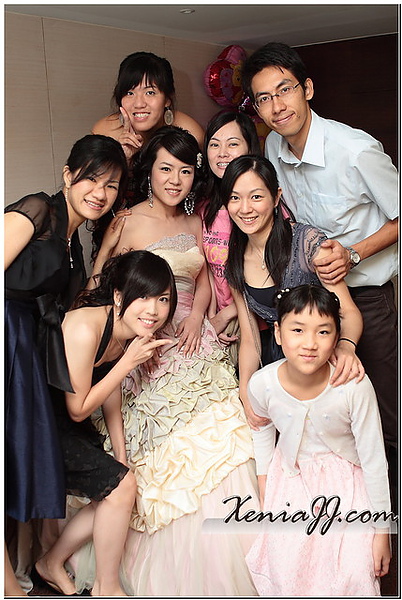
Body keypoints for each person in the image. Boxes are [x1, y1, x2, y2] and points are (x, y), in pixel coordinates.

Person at [66, 126, 259, 596]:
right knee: (162, 455)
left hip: (194, 339)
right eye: (166, 169)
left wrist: (197, 317)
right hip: (144, 349)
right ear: (149, 171)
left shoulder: (196, 222)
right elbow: (100, 286)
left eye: (186, 171)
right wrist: (124, 333)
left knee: (228, 432)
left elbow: (207, 279)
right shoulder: (126, 220)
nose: (175, 180)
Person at [241, 41, 398, 502]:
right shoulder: (273, 145)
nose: (277, 106)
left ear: (307, 88)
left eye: (284, 90)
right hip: (310, 300)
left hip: (364, 293)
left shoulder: (355, 150)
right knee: (331, 416)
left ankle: (387, 517)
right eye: (264, 98)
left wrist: (353, 254)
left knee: (382, 408)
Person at [4, 134, 128, 596]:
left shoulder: (76, 243)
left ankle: (33, 569)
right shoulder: (39, 210)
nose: (100, 192)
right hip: (6, 336)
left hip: (29, 355)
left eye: (111, 185)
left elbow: (74, 305)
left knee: (15, 459)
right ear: (68, 175)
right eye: (91, 179)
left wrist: (107, 249)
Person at [35, 251, 176, 596]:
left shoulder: (125, 328)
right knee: (120, 488)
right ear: (118, 295)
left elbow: (109, 389)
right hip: (40, 424)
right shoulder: (85, 328)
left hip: (64, 420)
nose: (153, 310)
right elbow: (78, 409)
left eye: (162, 299)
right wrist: (129, 362)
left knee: (118, 486)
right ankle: (106, 587)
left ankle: (51, 563)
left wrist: (121, 455)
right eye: (142, 297)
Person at [245, 284, 392, 596]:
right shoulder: (262, 384)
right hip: (292, 479)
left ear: (337, 338)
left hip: (348, 483)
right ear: (278, 333)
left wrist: (382, 532)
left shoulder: (354, 386)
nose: (310, 343)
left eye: (323, 332)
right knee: (289, 567)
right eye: (297, 330)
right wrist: (265, 485)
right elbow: (261, 429)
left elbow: (374, 460)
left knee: (354, 571)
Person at [221, 155, 364, 431]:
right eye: (235, 198)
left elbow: (348, 310)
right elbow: (250, 337)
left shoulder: (307, 243)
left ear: (276, 197)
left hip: (322, 356)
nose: (245, 208)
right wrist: (245, 389)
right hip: (277, 365)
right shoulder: (235, 262)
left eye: (256, 197)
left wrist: (346, 346)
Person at [197, 110, 261, 363]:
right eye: (214, 145)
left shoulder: (260, 206)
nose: (222, 153)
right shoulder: (203, 207)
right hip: (219, 327)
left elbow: (276, 274)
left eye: (232, 144)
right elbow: (207, 270)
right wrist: (211, 318)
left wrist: (226, 316)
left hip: (262, 325)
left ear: (249, 149)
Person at [92, 51, 204, 164]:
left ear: (167, 99)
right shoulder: (105, 134)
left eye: (150, 93)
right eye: (130, 93)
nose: (139, 104)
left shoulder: (191, 134)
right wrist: (124, 159)